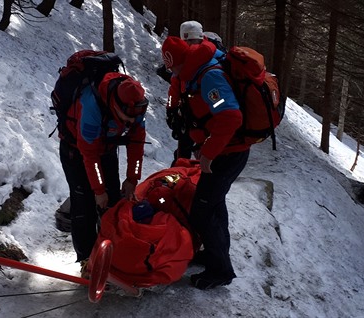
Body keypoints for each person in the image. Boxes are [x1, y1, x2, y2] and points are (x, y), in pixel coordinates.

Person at [161, 36, 252, 290]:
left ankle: (221, 271)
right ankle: (215, 254)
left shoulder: (208, 77)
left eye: (173, 67)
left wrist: (209, 154)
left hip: (228, 154)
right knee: (213, 204)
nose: (172, 72)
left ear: (181, 62)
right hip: (221, 151)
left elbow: (230, 117)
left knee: (202, 209)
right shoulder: (191, 73)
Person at [58, 71, 148, 276]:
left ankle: (112, 251)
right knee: (85, 205)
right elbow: (89, 157)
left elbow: (136, 144)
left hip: (107, 147)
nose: (132, 122)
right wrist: (98, 190)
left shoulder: (136, 108)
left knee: (113, 200)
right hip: (76, 152)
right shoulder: (91, 107)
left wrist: (132, 178)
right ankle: (87, 260)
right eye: (128, 119)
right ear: (116, 107)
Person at [166, 21, 227, 166]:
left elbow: (174, 88)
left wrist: (171, 109)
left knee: (191, 156)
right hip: (195, 114)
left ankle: (186, 177)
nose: (189, 45)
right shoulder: (215, 55)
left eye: (190, 41)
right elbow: (174, 88)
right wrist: (171, 109)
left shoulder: (206, 61)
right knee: (188, 153)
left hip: (202, 116)